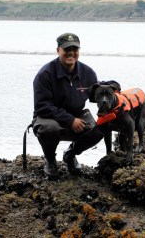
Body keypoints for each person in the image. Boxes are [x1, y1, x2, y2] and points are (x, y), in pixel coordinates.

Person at [32, 32, 103, 179]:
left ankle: (71, 154)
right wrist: (70, 120)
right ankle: (50, 160)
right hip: (48, 116)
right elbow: (42, 106)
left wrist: (112, 88)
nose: (71, 53)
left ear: (79, 51)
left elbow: (96, 93)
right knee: (49, 129)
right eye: (66, 49)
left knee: (100, 130)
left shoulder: (88, 73)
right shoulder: (44, 74)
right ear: (58, 50)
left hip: (77, 114)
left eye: (75, 49)